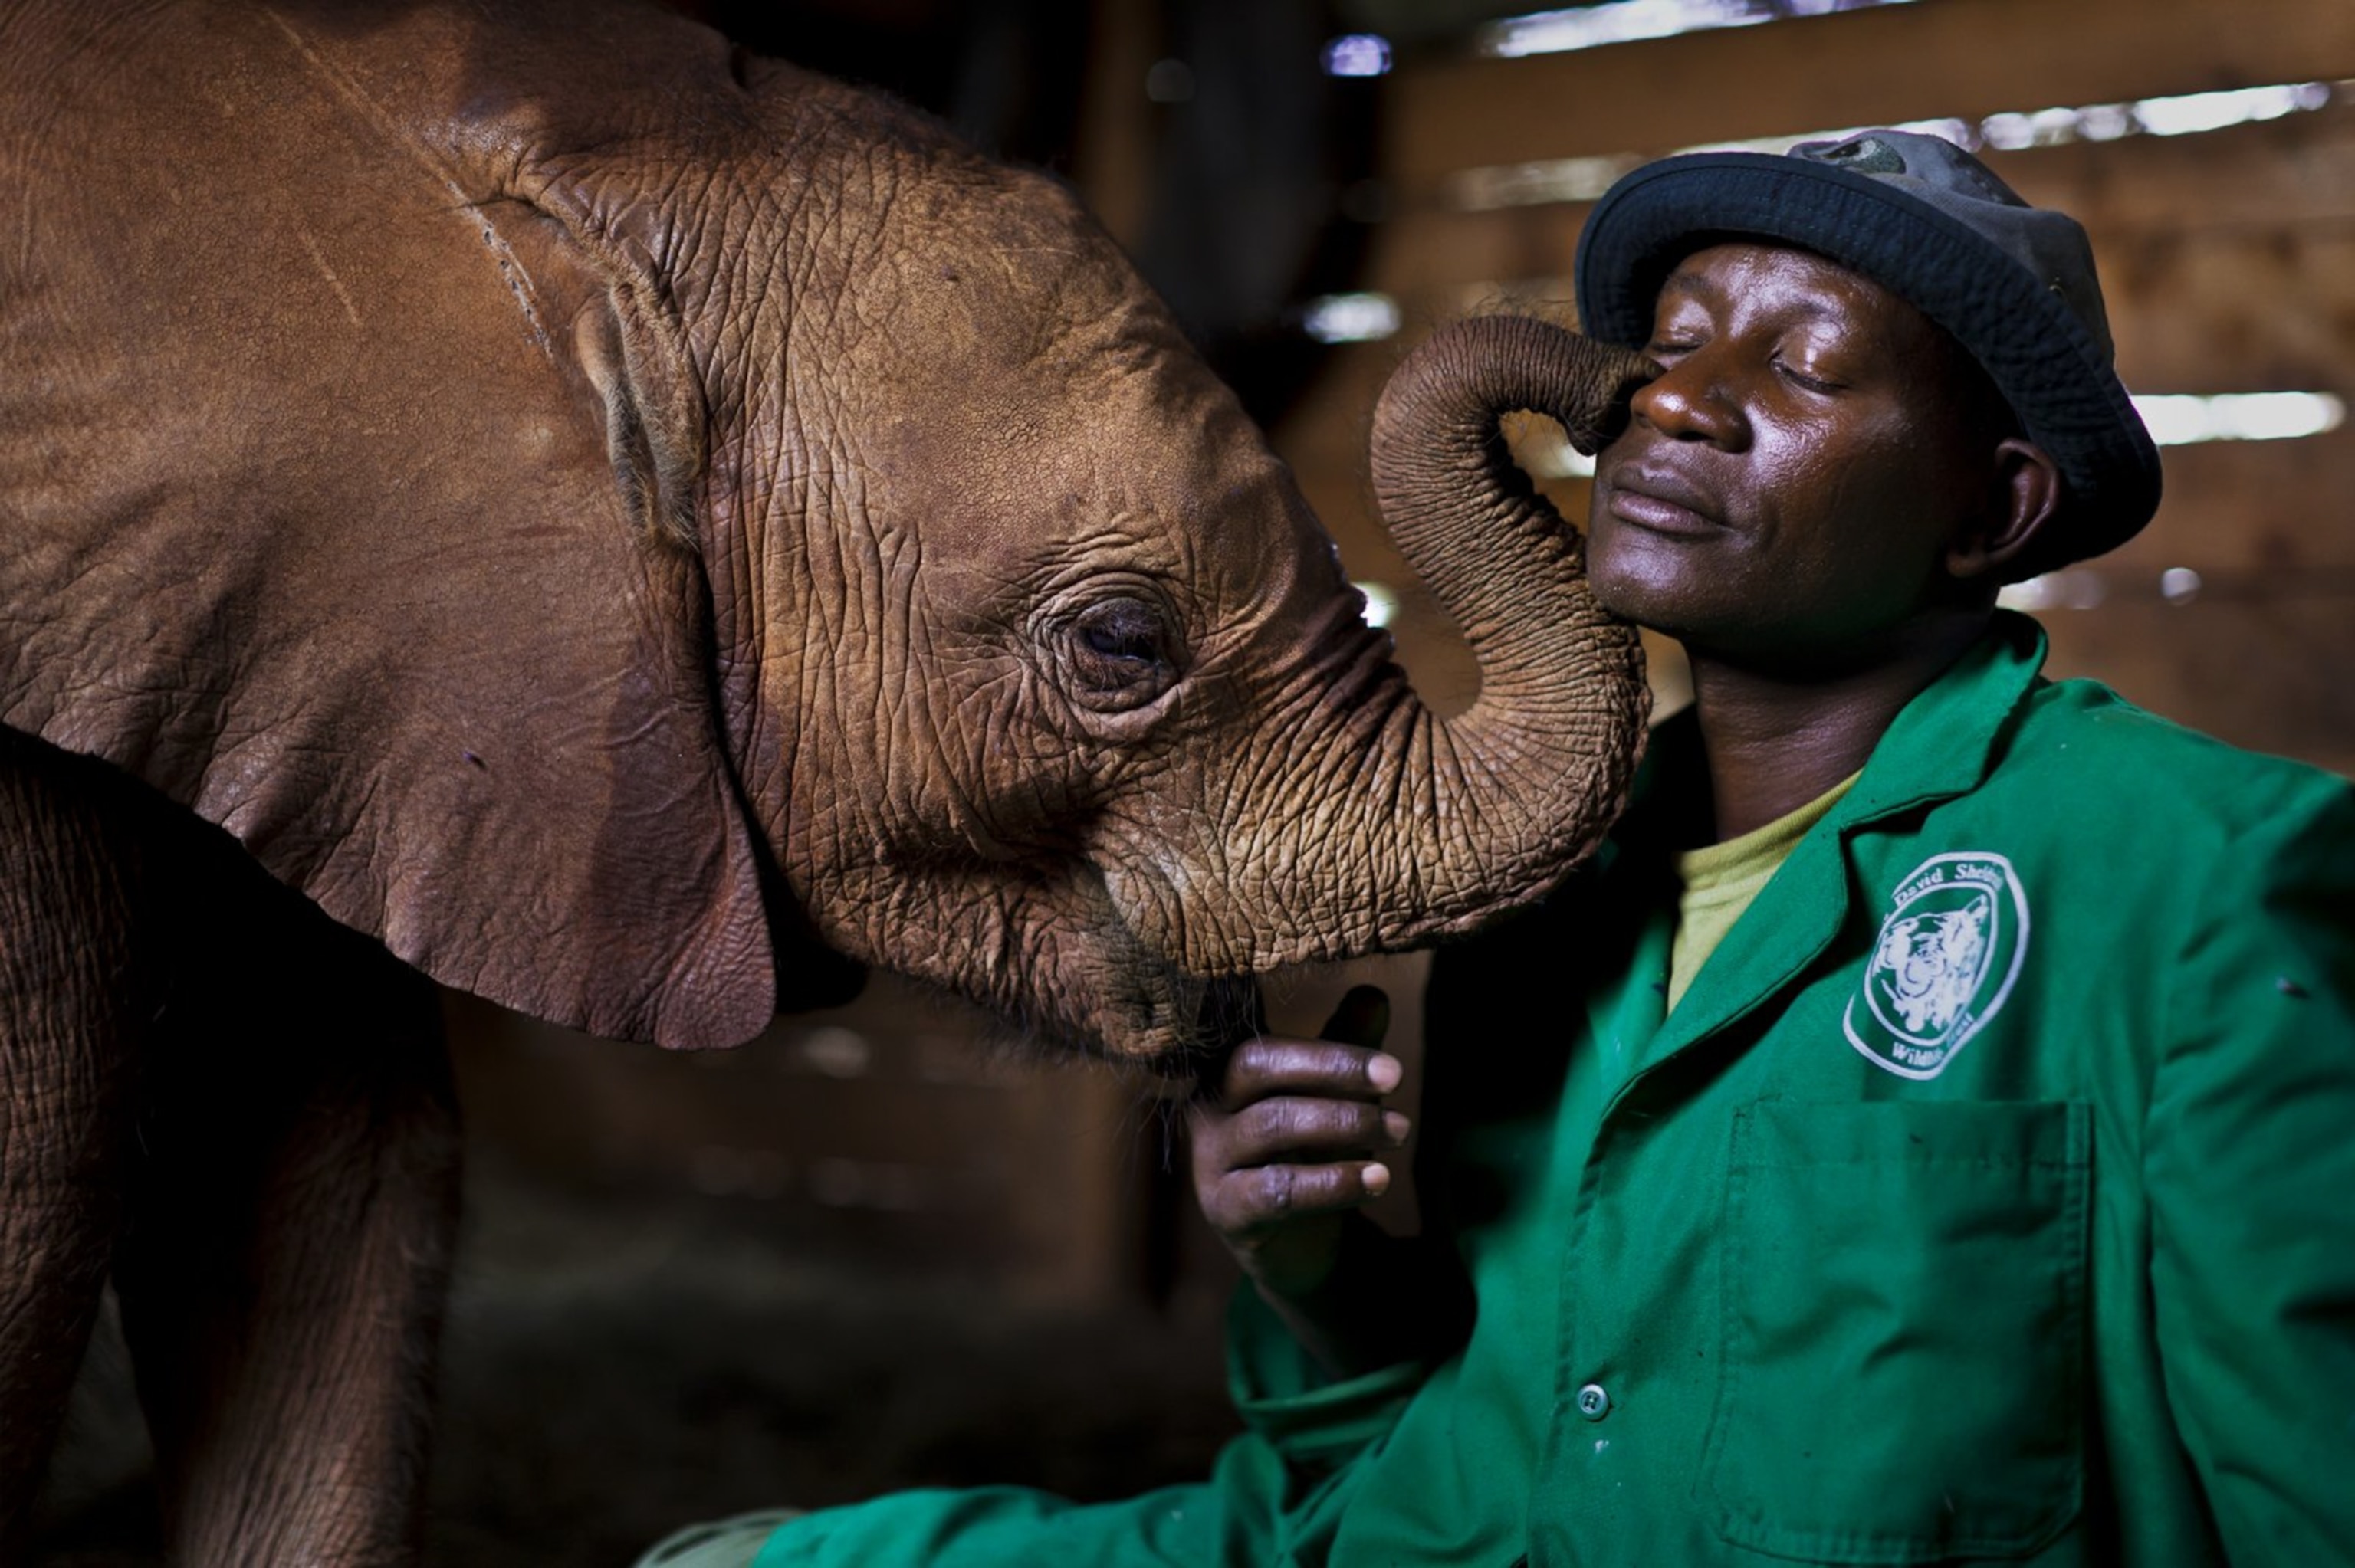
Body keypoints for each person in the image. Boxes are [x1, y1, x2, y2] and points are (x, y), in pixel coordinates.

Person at [640, 130, 2355, 1566]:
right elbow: (1418, 1447)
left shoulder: (2201, 877)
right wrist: (1319, 1272)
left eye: (1806, 367)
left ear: (1995, 510)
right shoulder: (1558, 889)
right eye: (1677, 342)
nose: (1682, 404)